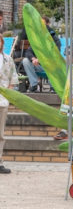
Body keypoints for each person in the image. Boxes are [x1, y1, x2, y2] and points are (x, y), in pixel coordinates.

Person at [22, 16, 61, 92]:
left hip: (51, 66)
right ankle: (34, 85)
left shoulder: (54, 38)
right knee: (26, 61)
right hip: (39, 66)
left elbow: (56, 53)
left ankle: (53, 86)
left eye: (43, 24)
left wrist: (41, 59)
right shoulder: (37, 38)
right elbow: (28, 51)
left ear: (48, 24)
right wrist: (33, 59)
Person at [0, 34, 19, 174]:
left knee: (0, 134)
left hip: (2, 101)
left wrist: (7, 96)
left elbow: (13, 80)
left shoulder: (8, 60)